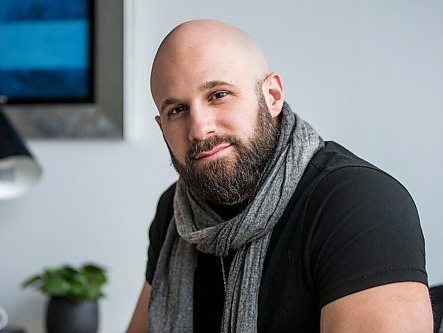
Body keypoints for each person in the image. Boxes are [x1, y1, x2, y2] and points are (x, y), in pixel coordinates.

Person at [126, 19, 433, 333]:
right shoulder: (178, 212)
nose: (199, 128)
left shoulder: (359, 203)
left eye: (219, 94)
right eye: (177, 109)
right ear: (161, 127)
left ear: (272, 95)